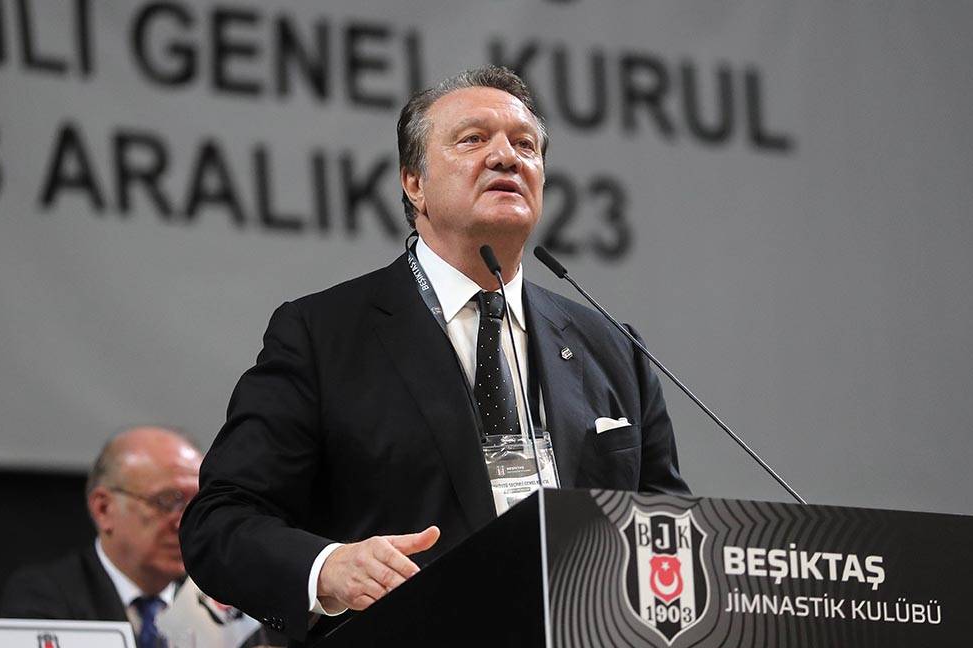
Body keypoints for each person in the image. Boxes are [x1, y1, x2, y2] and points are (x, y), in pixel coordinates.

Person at [179, 65, 690, 645]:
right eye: (473, 140)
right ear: (414, 184)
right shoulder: (323, 335)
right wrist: (329, 568)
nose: (506, 157)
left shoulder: (612, 348)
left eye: (525, 145)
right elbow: (220, 521)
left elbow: (668, 531)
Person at [1, 426, 203, 646]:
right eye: (167, 501)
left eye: (198, 504)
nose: (186, 523)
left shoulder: (216, 604)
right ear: (104, 509)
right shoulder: (46, 596)